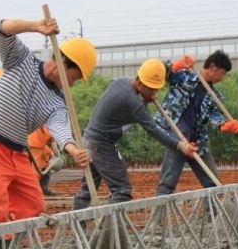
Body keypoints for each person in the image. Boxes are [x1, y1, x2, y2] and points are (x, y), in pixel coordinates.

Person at [0, 16, 92, 227]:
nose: (72, 84)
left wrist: (73, 151)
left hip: (17, 152)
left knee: (32, 204)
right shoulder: (22, 60)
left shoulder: (57, 101)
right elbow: (3, 29)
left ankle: (13, 246)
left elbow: (61, 129)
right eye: (75, 77)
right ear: (64, 64)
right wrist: (35, 26)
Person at [73, 58, 197, 210]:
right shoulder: (133, 102)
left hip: (90, 139)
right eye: (151, 89)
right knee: (122, 191)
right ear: (139, 83)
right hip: (100, 144)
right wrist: (180, 145)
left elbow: (128, 109)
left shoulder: (121, 83)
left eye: (156, 89)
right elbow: (152, 129)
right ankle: (109, 231)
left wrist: (145, 99)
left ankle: (80, 227)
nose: (154, 93)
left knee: (89, 185)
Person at [154, 50, 238, 196]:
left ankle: (211, 217)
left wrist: (224, 124)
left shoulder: (216, 95)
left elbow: (214, 115)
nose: (223, 78)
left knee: (212, 183)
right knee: (167, 184)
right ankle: (157, 219)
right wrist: (176, 65)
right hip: (178, 139)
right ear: (212, 67)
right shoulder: (184, 78)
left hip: (197, 142)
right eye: (222, 73)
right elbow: (160, 73)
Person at [27, 126, 61, 196]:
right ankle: (34, 190)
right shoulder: (51, 127)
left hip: (25, 143)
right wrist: (57, 156)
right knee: (37, 170)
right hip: (36, 145)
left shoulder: (40, 122)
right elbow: (55, 150)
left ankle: (42, 188)